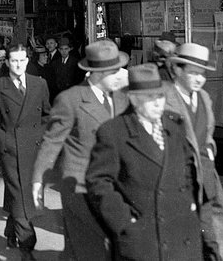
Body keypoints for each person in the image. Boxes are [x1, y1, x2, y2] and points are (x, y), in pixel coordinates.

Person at [86, 63, 203, 261]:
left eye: (160, 96)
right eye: (150, 98)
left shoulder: (174, 127)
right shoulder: (114, 132)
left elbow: (187, 168)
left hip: (181, 233)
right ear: (133, 99)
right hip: (144, 238)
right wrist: (124, 221)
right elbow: (98, 182)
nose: (158, 103)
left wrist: (189, 203)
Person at [31, 40, 130, 261]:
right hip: (79, 184)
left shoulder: (122, 97)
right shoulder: (71, 99)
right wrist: (39, 180)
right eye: (114, 71)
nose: (121, 74)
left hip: (113, 182)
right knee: (90, 244)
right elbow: (51, 143)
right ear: (97, 73)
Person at [0, 44, 51, 260]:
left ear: (28, 61)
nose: (18, 65)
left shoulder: (40, 84)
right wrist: (5, 140)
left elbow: (47, 115)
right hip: (11, 150)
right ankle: (27, 244)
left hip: (34, 148)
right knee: (21, 193)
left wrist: (40, 136)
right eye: (14, 61)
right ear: (7, 62)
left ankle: (11, 230)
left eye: (22, 60)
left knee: (22, 191)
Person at [164, 43, 223, 261]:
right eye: (193, 73)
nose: (199, 79)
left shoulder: (204, 98)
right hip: (175, 180)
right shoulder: (163, 97)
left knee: (208, 237)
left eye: (202, 74)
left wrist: (210, 150)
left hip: (204, 179)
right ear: (177, 70)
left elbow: (208, 133)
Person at [48, 36, 82, 102]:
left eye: (66, 49)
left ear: (69, 49)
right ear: (59, 50)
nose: (64, 51)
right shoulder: (55, 63)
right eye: (62, 49)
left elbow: (78, 80)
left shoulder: (75, 62)